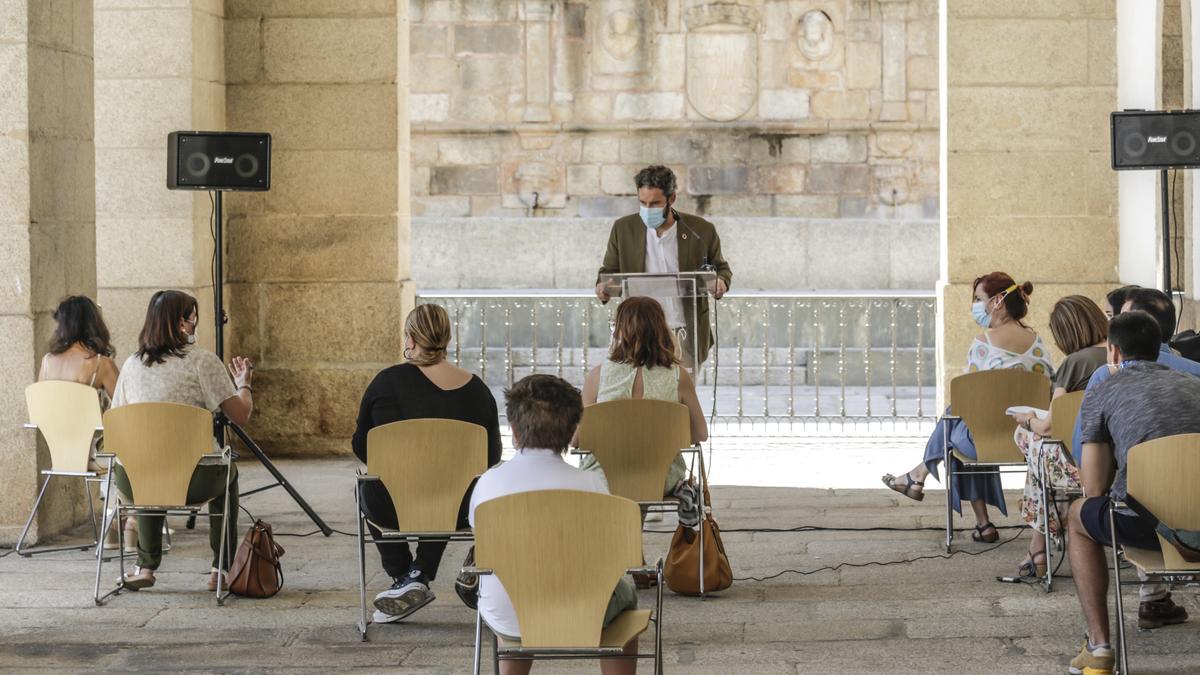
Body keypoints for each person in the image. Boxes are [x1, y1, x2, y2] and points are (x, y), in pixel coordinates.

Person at [470, 374, 640, 675]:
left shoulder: (489, 483)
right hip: (584, 611)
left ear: (513, 430)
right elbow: (611, 551)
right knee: (627, 596)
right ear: (574, 429)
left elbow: (480, 537)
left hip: (509, 613)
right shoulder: (591, 484)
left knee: (515, 575)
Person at [1064, 311, 1200, 674]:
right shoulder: (1194, 384)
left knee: (1078, 514)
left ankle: (1099, 648)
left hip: (1147, 525)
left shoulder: (1104, 391)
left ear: (1112, 352)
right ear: (1159, 350)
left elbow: (1093, 488)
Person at [352, 303, 502, 625]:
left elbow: (362, 447)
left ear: (409, 338)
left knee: (370, 483)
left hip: (391, 506)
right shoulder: (478, 391)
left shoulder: (385, 383)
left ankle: (404, 576)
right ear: (447, 338)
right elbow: (491, 458)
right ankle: (418, 572)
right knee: (450, 484)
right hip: (459, 508)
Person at [882, 272, 1053, 542]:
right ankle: (927, 483)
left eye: (978, 299)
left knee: (955, 424)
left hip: (984, 440)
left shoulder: (983, 345)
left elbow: (967, 403)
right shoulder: (1038, 344)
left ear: (997, 301)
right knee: (959, 422)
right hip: (1028, 440)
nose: (974, 305)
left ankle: (920, 476)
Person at [110, 290, 252, 591]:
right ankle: (220, 569)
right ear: (181, 324)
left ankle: (145, 565)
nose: (196, 325)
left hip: (135, 479)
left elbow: (116, 422)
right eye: (193, 318)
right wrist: (244, 385)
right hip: (194, 480)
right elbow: (239, 415)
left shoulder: (132, 365)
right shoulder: (202, 361)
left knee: (146, 459)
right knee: (229, 473)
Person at [1007, 295, 1108, 578]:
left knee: (1033, 443)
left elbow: (1050, 426)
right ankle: (1039, 547)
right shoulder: (1119, 353)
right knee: (1042, 455)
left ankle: (1040, 546)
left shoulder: (1075, 362)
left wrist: (1027, 419)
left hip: (1080, 467)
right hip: (1118, 465)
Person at [595, 165, 732, 370]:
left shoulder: (700, 230)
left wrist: (720, 282)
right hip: (638, 334)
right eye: (643, 203)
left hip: (685, 332)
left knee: (682, 399)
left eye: (655, 203)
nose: (648, 209)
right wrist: (604, 288)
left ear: (672, 198)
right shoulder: (623, 229)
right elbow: (608, 272)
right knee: (644, 399)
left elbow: (721, 268)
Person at [577, 296, 708, 492]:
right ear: (661, 329)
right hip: (661, 477)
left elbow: (578, 439)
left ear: (620, 330)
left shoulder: (598, 376)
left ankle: (624, 521)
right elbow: (700, 433)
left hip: (604, 477)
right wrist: (657, 439)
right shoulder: (677, 376)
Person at [39, 296, 120, 469]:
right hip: (96, 455)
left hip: (58, 452)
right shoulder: (100, 363)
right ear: (94, 324)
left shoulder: (46, 362)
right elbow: (125, 408)